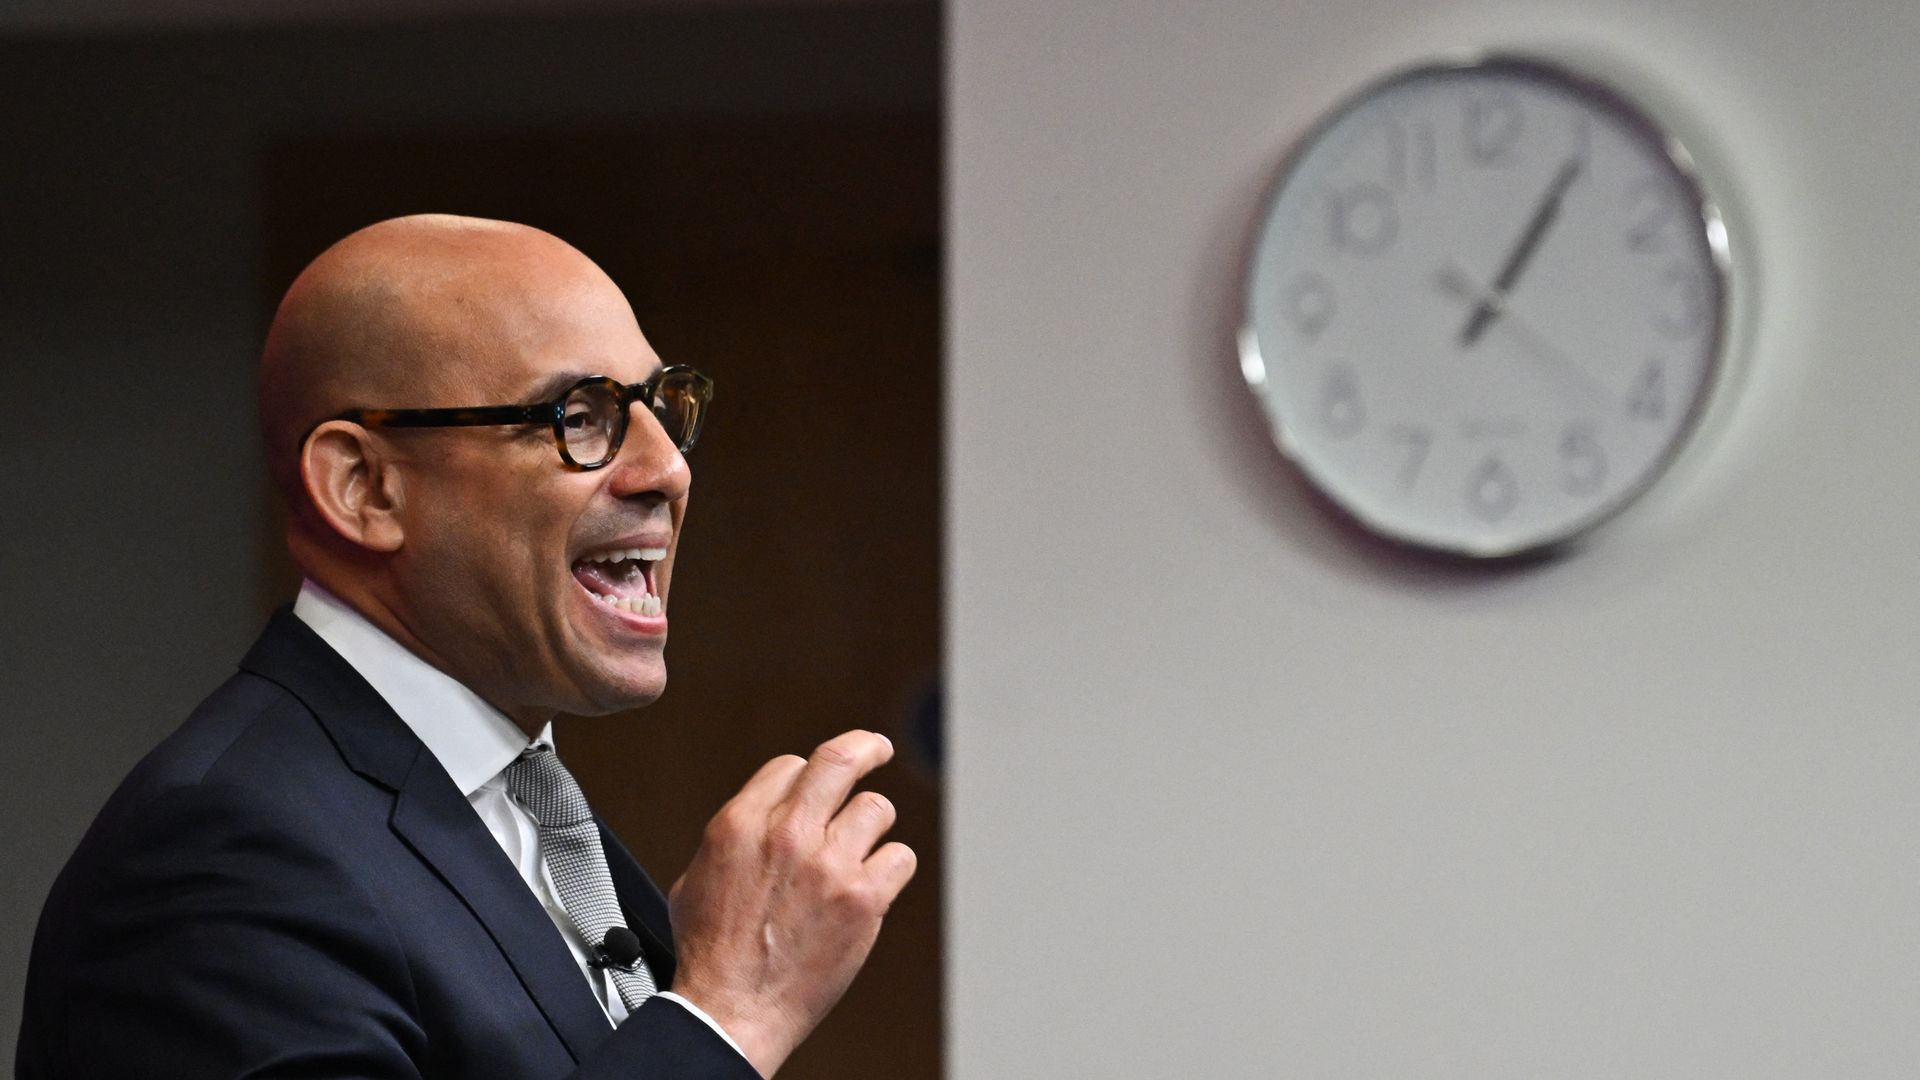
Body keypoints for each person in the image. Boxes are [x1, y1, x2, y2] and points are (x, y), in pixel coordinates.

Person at [15, 214, 916, 1079]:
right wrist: (728, 1016)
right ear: (363, 486)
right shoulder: (217, 856)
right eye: (580, 414)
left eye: (661, 407)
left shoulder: (515, 807)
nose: (668, 470)